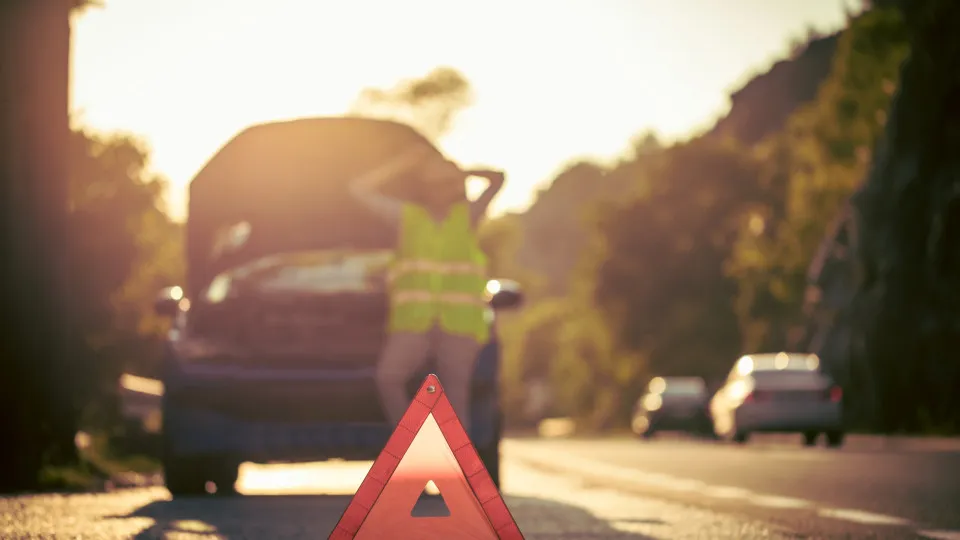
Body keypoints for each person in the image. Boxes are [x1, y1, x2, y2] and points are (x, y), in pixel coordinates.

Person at [349, 148, 505, 437]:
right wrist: (401, 165)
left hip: (458, 325)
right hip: (414, 324)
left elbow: (498, 179)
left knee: (455, 401)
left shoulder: (467, 216)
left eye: (446, 184)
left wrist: (461, 171)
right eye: (434, 184)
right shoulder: (408, 217)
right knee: (389, 378)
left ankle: (456, 474)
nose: (439, 190)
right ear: (424, 187)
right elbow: (359, 190)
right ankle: (412, 444)